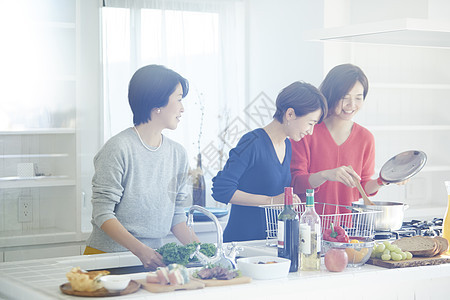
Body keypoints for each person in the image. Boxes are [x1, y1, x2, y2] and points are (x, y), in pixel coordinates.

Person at [84, 65, 199, 269]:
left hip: (151, 259)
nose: (183, 108)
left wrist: (204, 253)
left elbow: (177, 215)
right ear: (158, 102)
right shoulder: (119, 148)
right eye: (179, 98)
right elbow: (103, 213)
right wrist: (140, 250)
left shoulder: (178, 153)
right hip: (108, 259)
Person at [212, 81, 328, 242]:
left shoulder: (287, 145)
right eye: (310, 123)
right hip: (242, 244)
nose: (311, 131)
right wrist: (271, 201)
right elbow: (221, 190)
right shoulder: (252, 142)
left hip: (270, 242)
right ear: (290, 114)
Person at [290, 64, 404, 215]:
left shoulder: (365, 138)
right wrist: (325, 175)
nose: (352, 105)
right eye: (345, 98)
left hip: (349, 228)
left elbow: (362, 188)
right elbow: (296, 183)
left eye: (358, 98)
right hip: (309, 226)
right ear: (331, 95)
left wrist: (384, 180)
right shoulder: (306, 132)